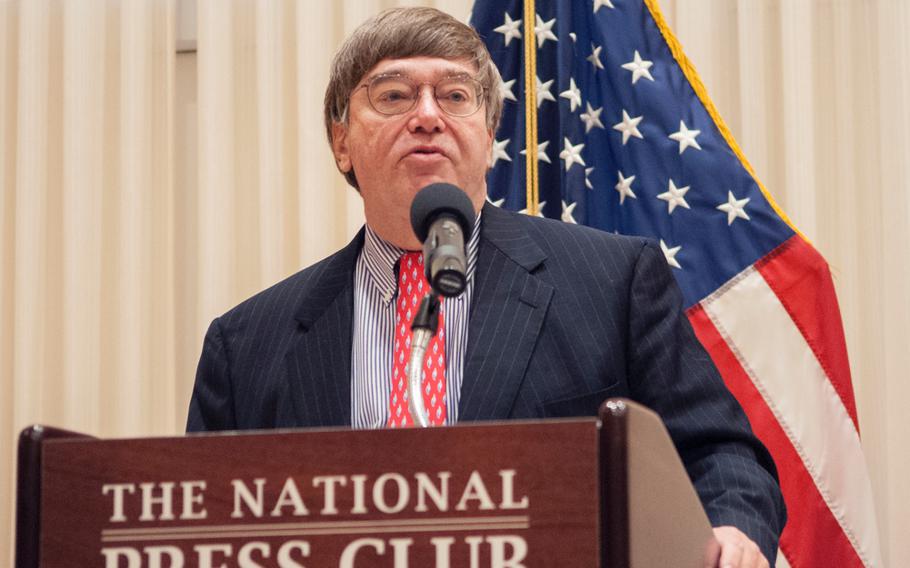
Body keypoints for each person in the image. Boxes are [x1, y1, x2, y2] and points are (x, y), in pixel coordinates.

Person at [187, 7, 785, 567]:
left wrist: (731, 530)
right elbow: (201, 526)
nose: (427, 115)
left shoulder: (612, 282)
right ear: (341, 142)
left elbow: (722, 456)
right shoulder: (245, 345)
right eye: (393, 95)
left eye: (455, 95)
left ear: (490, 133)